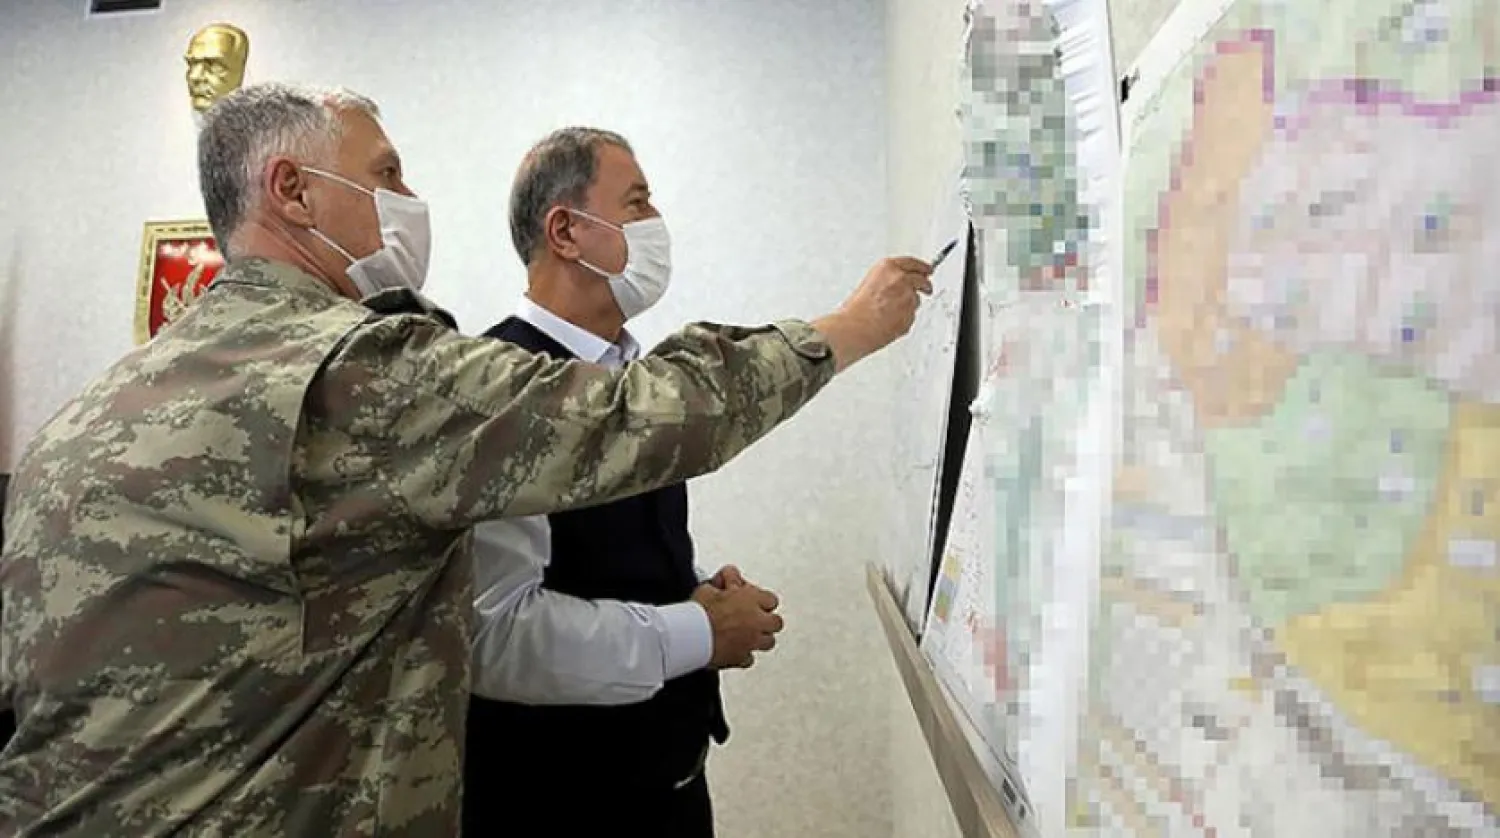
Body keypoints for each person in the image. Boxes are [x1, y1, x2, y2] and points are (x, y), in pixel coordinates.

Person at [0, 82, 931, 837]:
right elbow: (635, 423)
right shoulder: (364, 371)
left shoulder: (85, 414)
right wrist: (846, 329)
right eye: (386, 173)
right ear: (292, 193)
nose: (410, 200)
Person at [464, 128, 780, 837]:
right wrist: (699, 629)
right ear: (567, 231)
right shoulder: (496, 388)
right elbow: (502, 630)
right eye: (636, 203)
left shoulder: (632, 377)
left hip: (667, 789)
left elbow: (600, 554)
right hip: (557, 807)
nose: (656, 223)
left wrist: (692, 587)